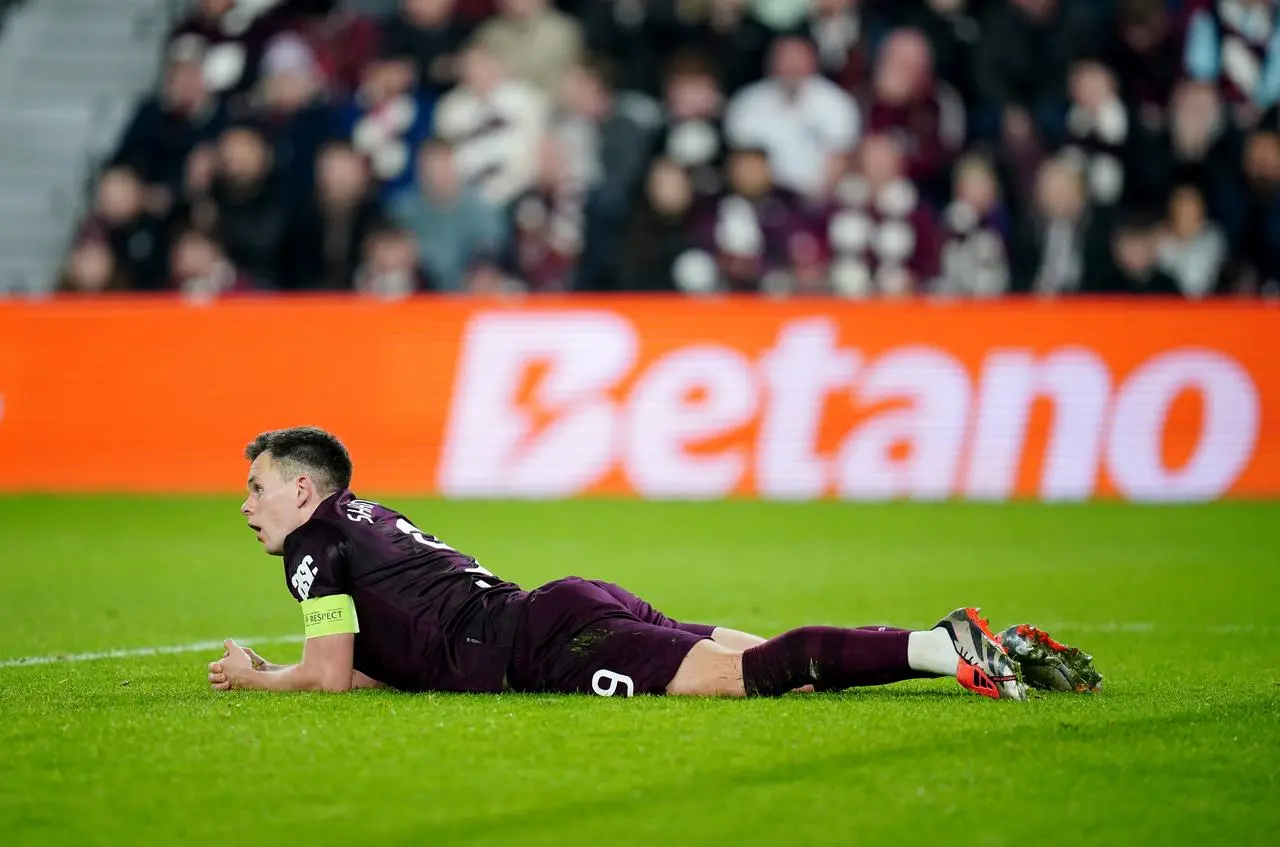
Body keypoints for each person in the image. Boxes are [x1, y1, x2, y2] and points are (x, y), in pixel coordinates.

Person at [209, 427, 1098, 700]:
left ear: (299, 490)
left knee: (743, 677)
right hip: (561, 603)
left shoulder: (316, 544)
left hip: (544, 643)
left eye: (255, 488)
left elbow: (327, 676)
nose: (245, 505)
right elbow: (378, 661)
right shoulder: (370, 518)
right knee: (770, 670)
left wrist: (256, 677)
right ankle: (979, 649)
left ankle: (946, 647)